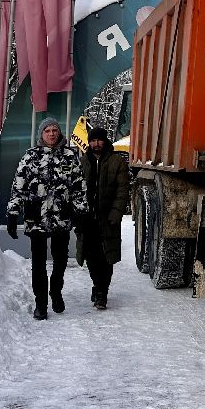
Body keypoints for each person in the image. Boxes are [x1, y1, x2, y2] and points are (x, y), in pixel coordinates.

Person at [5, 119, 87, 320]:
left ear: (59, 133)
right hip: (36, 218)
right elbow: (18, 187)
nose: (51, 134)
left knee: (60, 260)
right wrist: (13, 214)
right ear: (41, 134)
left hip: (61, 216)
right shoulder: (30, 157)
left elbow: (79, 188)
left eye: (55, 130)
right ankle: (40, 302)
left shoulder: (70, 156)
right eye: (47, 131)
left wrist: (81, 213)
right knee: (38, 263)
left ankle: (56, 291)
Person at [77, 126, 131, 310]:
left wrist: (116, 214)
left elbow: (122, 191)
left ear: (105, 141)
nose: (96, 144)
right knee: (91, 256)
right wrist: (78, 214)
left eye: (99, 140)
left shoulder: (117, 162)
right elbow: (77, 189)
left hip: (108, 218)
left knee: (106, 256)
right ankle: (97, 284)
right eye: (92, 140)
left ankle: (102, 292)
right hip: (88, 218)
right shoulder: (83, 161)